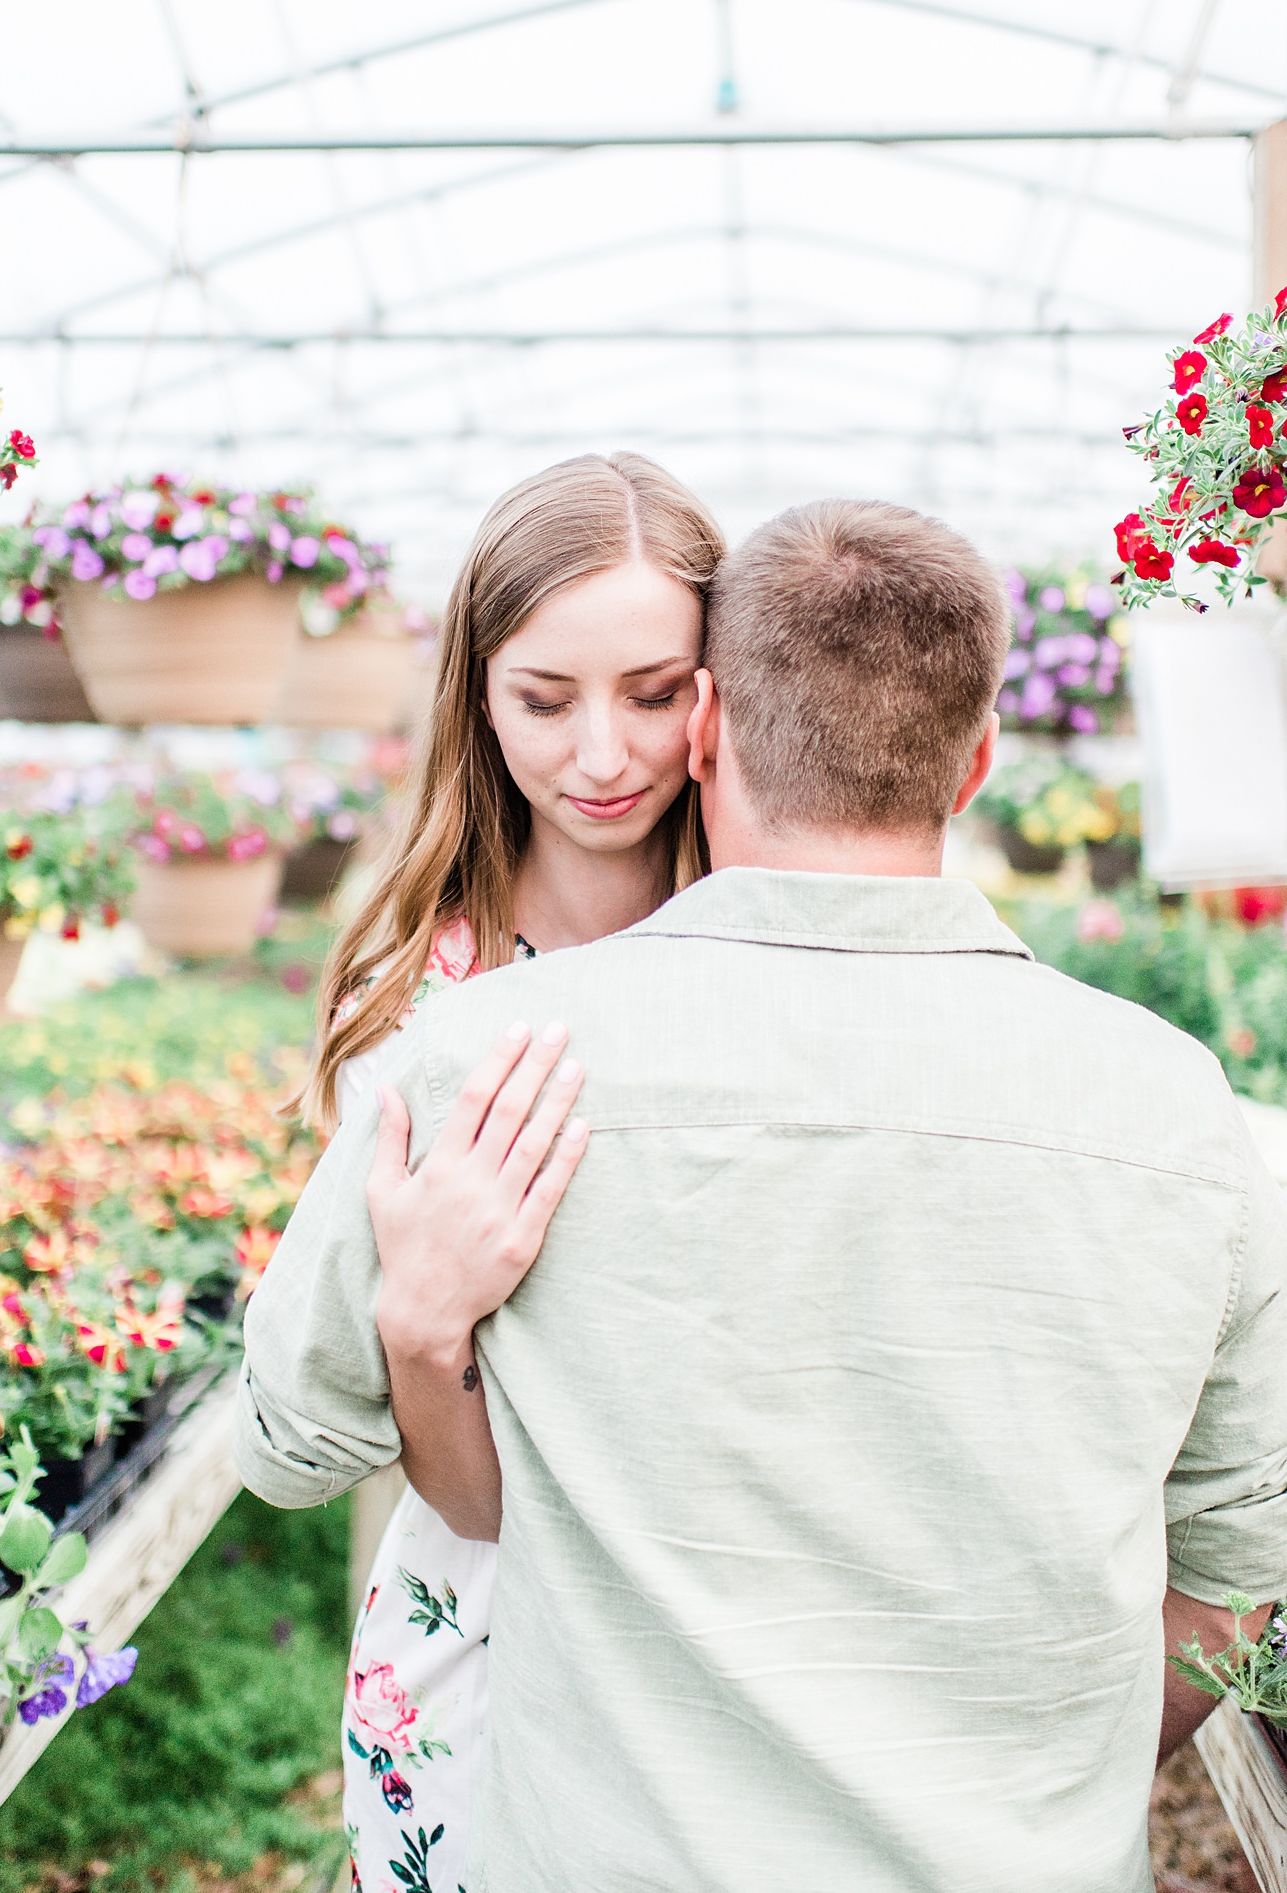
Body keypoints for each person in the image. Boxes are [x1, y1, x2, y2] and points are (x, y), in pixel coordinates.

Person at [238, 499, 1287, 1893]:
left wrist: (420, 1323)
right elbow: (1230, 1583)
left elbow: (288, 1441)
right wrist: (1051, 1782)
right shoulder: (1201, 1129)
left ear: (709, 724)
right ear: (975, 762)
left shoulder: (477, 1063)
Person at [293, 451, 724, 1891]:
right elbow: (472, 1501)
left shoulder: (783, 953)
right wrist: (422, 1327)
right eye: (543, 700)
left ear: (724, 686)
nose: (600, 756)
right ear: (475, 696)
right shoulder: (422, 1002)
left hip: (753, 1627)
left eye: (655, 693)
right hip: (491, 1640)